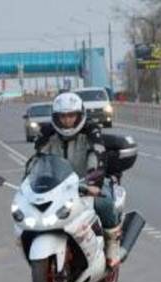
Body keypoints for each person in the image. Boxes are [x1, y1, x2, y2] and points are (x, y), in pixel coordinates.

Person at [35, 92, 122, 268]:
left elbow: (96, 156)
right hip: (59, 186)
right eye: (63, 116)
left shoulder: (91, 131)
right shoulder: (48, 135)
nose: (67, 120)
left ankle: (112, 245)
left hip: (89, 181)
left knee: (103, 204)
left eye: (71, 115)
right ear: (56, 117)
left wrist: (93, 184)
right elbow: (39, 161)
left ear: (79, 115)